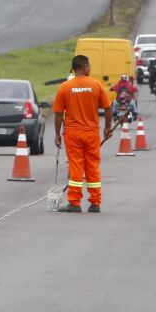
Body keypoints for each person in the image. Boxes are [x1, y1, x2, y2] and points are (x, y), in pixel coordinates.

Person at [53, 54, 113, 214]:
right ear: (84, 67)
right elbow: (108, 109)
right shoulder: (96, 85)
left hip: (73, 134)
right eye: (89, 66)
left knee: (76, 166)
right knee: (93, 167)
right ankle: (95, 203)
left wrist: (57, 134)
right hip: (92, 133)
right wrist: (107, 128)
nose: (90, 68)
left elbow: (58, 113)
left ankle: (74, 202)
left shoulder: (65, 87)